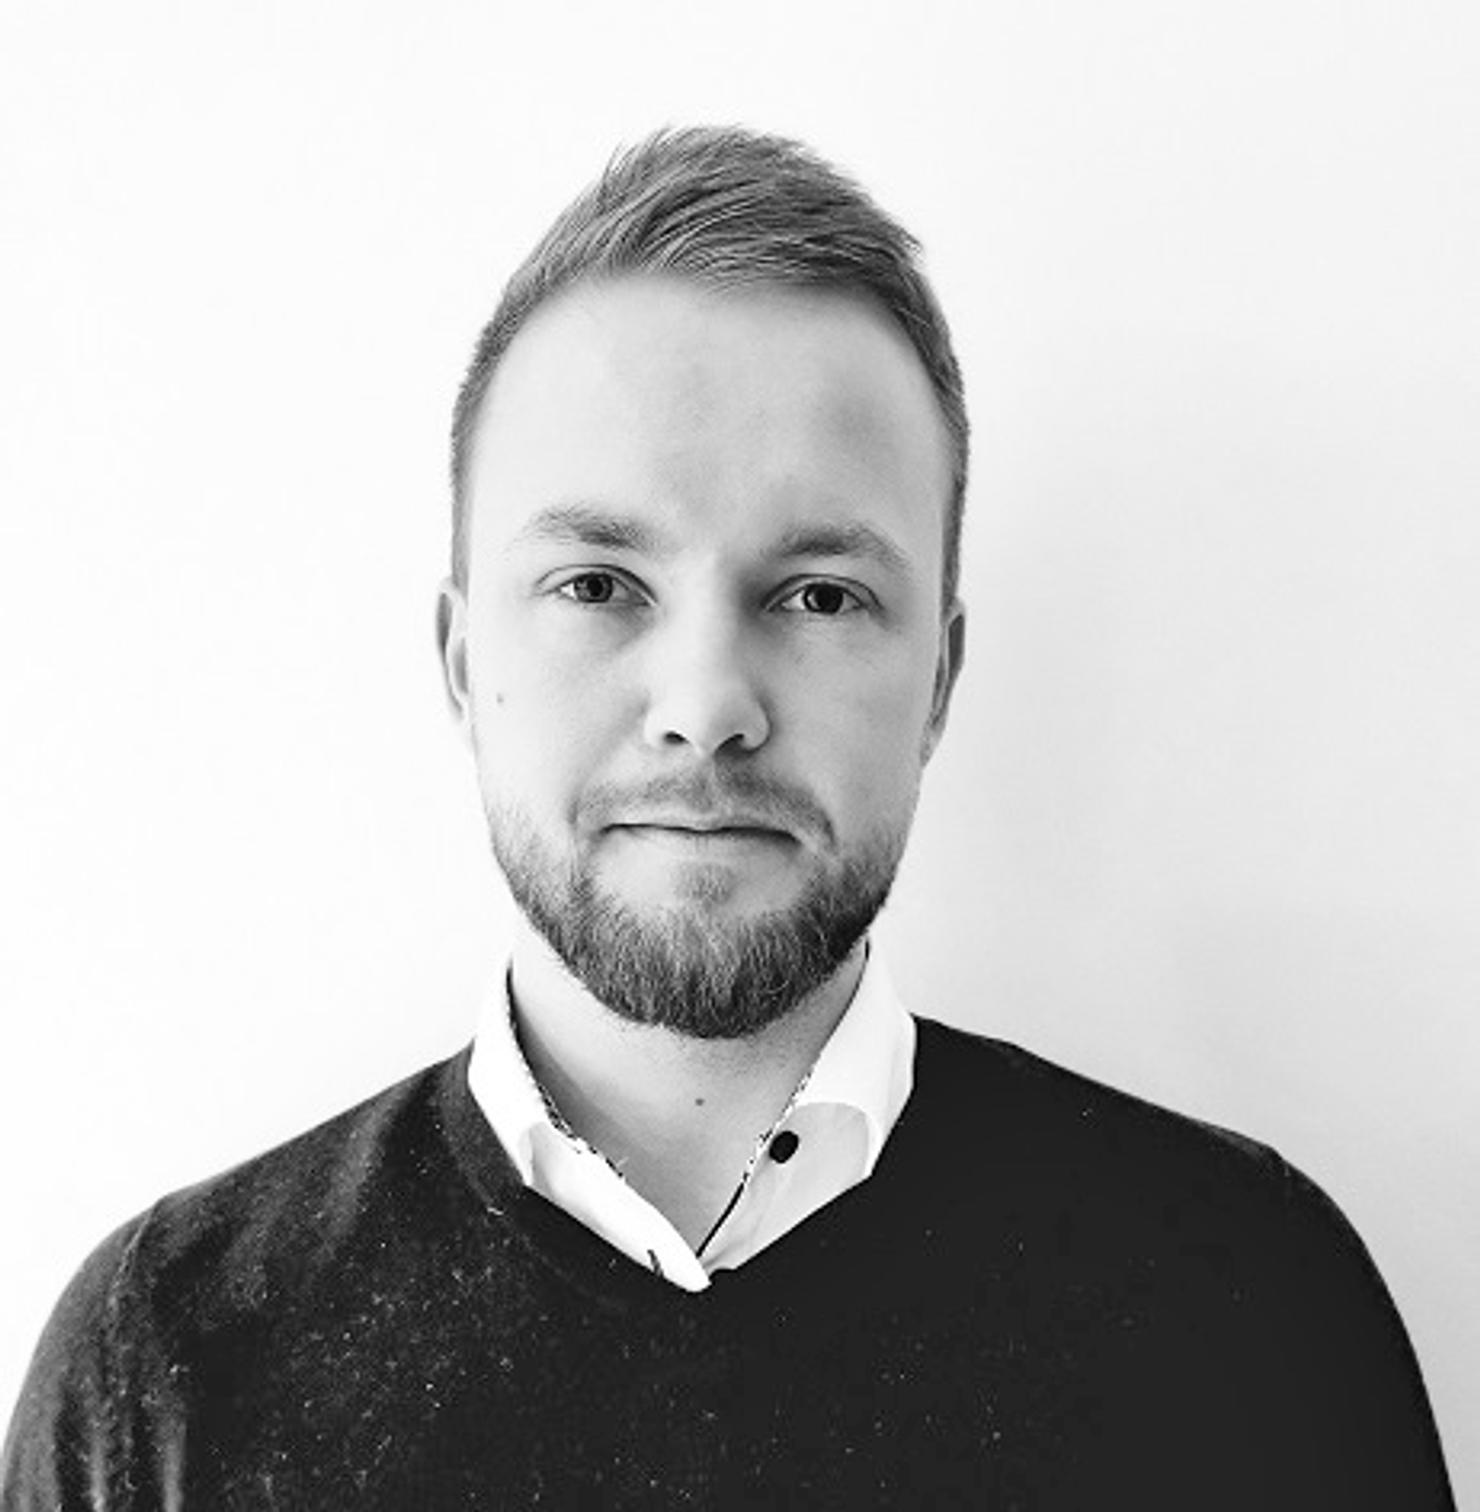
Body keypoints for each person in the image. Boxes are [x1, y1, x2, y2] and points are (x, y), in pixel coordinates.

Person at [1, 126, 1454, 1510]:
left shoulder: (1251, 1305)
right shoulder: (163, 1366)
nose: (706, 706)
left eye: (819, 594)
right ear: (459, 662)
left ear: (939, 683)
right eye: (597, 585)